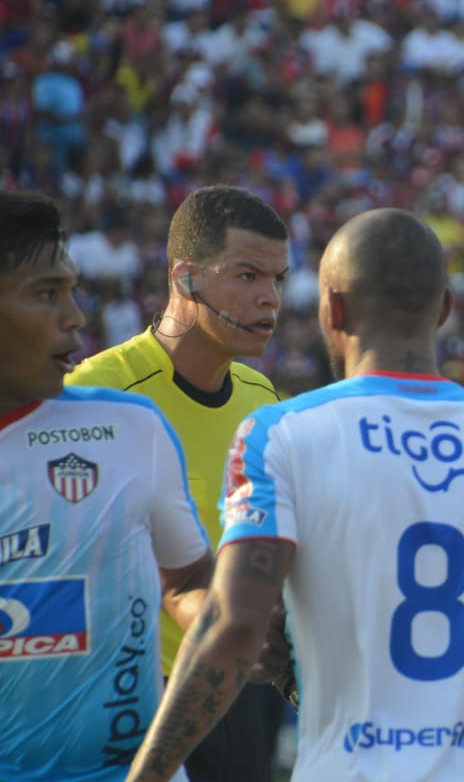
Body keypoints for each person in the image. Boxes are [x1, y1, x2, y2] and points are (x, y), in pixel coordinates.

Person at [125, 209, 464, 782]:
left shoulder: (282, 436)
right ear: (444, 309)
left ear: (332, 308)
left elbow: (233, 629)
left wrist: (145, 776)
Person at [67, 184, 290, 782]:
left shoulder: (263, 397)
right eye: (247, 275)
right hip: (134, 697)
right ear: (186, 279)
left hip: (244, 688)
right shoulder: (97, 395)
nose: (269, 299)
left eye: (278, 279)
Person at [0, 191, 212, 780]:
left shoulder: (128, 428)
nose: (76, 317)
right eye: (46, 293)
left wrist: (235, 622)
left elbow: (189, 577)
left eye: (71, 289)